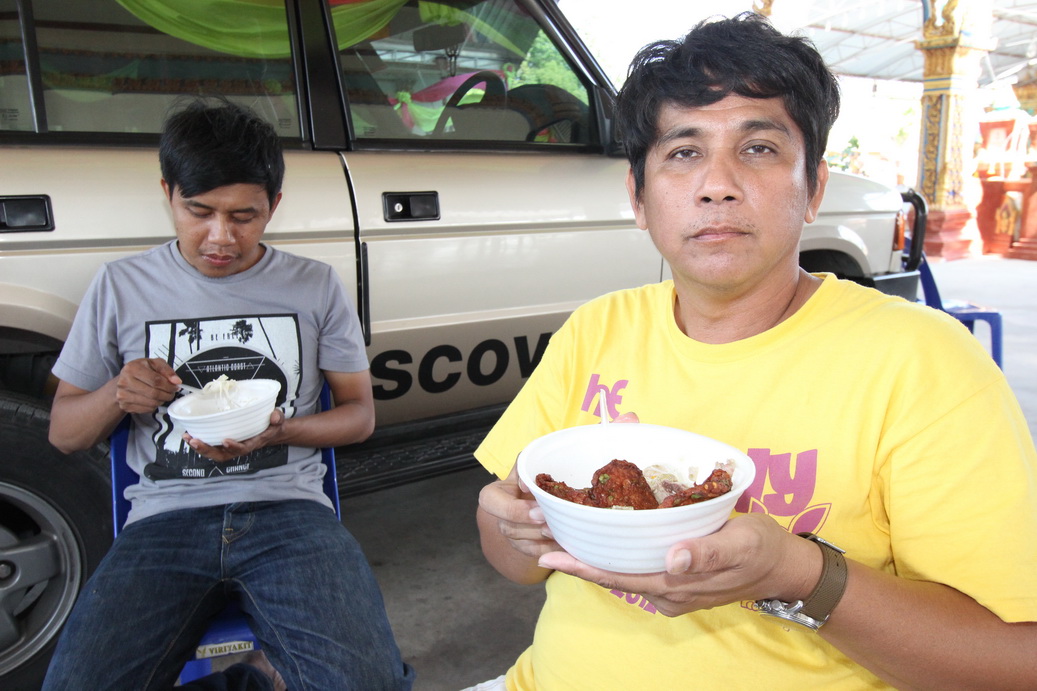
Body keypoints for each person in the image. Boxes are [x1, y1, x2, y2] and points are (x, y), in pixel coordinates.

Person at [473, 13, 1037, 690]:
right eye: (683, 153)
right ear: (639, 198)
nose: (717, 184)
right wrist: (514, 523)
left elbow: (1012, 663)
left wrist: (797, 575)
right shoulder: (597, 329)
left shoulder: (921, 362)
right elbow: (513, 558)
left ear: (814, 188)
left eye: (759, 148)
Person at [44, 98, 414, 690]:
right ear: (167, 194)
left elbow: (359, 416)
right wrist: (117, 392)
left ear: (274, 206)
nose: (221, 237)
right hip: (165, 521)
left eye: (245, 216)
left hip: (290, 516)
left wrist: (281, 432)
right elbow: (64, 434)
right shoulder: (120, 286)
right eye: (199, 211)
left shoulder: (314, 285)